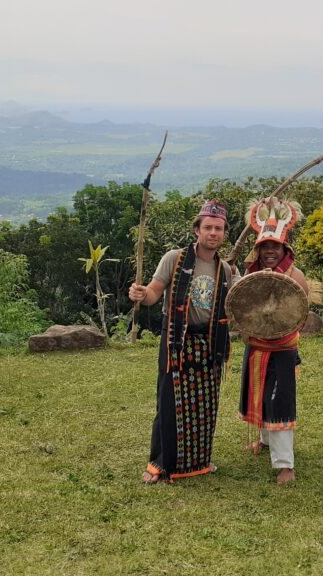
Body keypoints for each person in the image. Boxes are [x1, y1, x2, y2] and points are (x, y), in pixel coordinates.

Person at [128, 200, 235, 484]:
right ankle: (160, 464)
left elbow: (238, 305)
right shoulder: (174, 259)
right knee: (169, 400)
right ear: (196, 230)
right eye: (208, 227)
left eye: (219, 228)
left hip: (209, 341)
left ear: (224, 233)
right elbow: (154, 292)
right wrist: (141, 295)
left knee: (204, 403)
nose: (213, 233)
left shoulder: (225, 270)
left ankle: (199, 461)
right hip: (176, 338)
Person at [237, 198, 309, 485]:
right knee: (261, 397)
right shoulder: (249, 275)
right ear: (258, 248)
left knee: (279, 403)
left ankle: (285, 465)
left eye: (275, 247)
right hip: (256, 347)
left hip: (282, 350)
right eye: (265, 246)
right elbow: (241, 310)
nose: (269, 251)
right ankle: (264, 441)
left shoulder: (295, 276)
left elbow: (300, 316)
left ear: (284, 248)